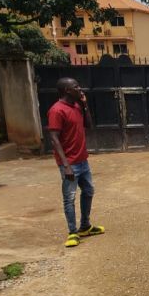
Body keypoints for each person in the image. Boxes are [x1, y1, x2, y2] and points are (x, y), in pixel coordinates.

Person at [47, 78, 105, 248]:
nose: (80, 89)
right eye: (76, 87)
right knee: (69, 197)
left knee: (88, 191)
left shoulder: (77, 106)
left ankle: (85, 226)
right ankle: (73, 232)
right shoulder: (57, 111)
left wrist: (85, 105)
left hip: (82, 159)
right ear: (66, 90)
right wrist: (66, 165)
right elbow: (54, 138)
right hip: (69, 163)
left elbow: (89, 125)